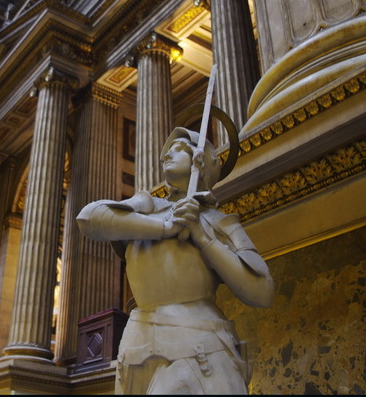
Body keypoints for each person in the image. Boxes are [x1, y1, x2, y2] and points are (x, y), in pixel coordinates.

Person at [77, 127, 274, 394]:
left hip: (199, 343)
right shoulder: (147, 207)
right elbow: (89, 218)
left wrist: (203, 238)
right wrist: (165, 227)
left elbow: (262, 291)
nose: (167, 153)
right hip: (136, 349)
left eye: (179, 148)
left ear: (199, 160)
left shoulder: (220, 222)